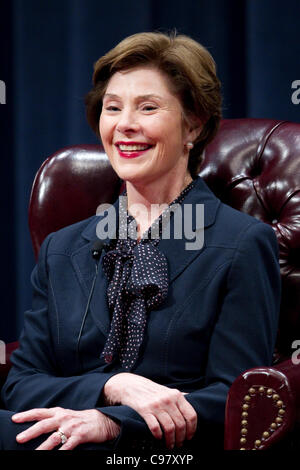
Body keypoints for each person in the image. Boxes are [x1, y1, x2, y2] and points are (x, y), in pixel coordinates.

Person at [0, 31, 281, 452]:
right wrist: (113, 386)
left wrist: (112, 424)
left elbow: (234, 397)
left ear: (194, 125)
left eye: (148, 107)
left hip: (155, 449)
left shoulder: (241, 244)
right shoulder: (63, 247)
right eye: (112, 108)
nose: (125, 124)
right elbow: (22, 384)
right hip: (57, 437)